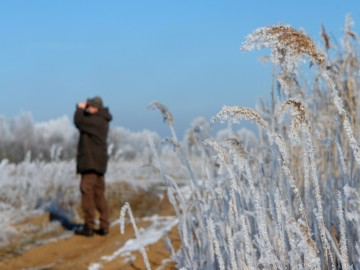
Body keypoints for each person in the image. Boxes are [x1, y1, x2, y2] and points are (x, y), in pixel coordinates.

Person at [73, 96, 112, 237]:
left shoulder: (96, 121)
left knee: (86, 191)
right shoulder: (102, 120)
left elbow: (79, 121)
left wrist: (79, 109)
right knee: (98, 194)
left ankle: (89, 226)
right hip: (99, 164)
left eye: (89, 106)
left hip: (91, 163)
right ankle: (104, 225)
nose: (87, 108)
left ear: (95, 108)